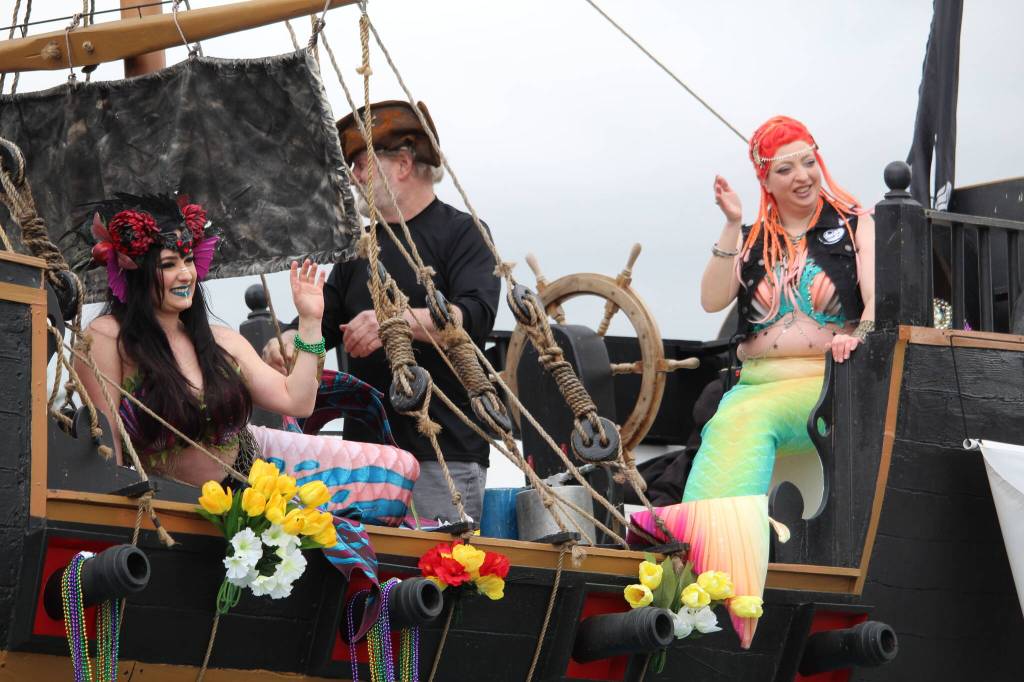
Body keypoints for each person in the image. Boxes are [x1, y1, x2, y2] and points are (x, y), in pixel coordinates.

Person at [630, 115, 875, 649]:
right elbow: (712, 300)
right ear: (766, 179)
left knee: (748, 417)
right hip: (755, 381)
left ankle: (722, 580)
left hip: (822, 383)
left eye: (809, 161)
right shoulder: (754, 238)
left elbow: (875, 305)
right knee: (727, 420)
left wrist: (858, 337)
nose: (802, 176)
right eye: (786, 168)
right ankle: (694, 563)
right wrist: (729, 224)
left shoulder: (855, 223)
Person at [75, 193, 419, 527]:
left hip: (254, 485)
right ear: (133, 272)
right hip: (170, 512)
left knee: (400, 471)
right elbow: (110, 448)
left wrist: (311, 321)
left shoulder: (219, 341)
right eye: (168, 265)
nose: (185, 275)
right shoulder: (105, 339)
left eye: (189, 260)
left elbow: (297, 401)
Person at [264, 101, 501, 525]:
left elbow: (475, 315)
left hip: (441, 452)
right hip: (366, 456)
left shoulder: (464, 233)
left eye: (360, 164)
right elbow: (324, 319)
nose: (353, 176)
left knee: (435, 580)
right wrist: (286, 339)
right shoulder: (362, 248)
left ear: (403, 165)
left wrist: (393, 323)